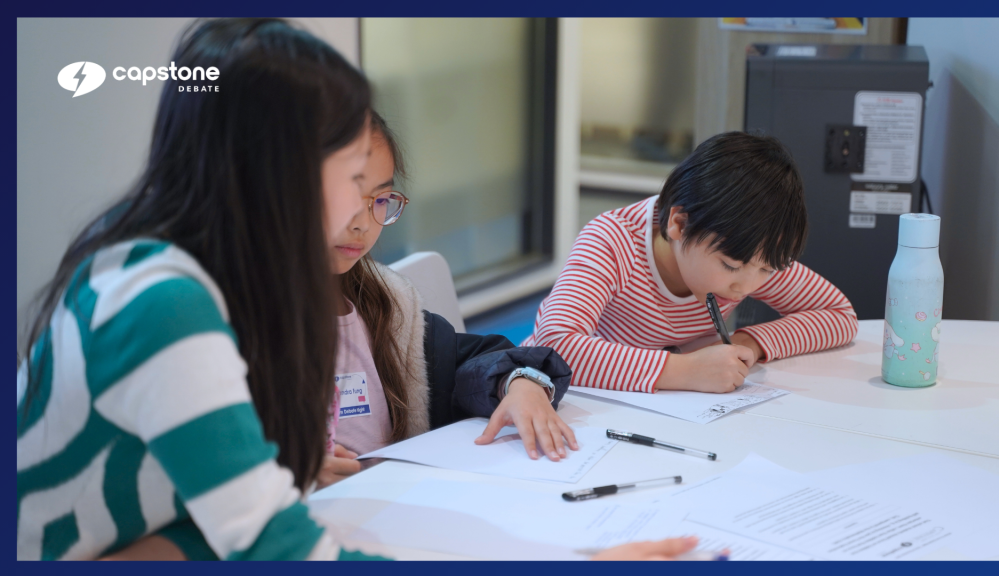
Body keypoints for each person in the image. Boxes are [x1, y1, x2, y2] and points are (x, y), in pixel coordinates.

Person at [17, 17, 697, 561]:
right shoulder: (165, 304)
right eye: (349, 173)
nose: (360, 210)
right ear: (271, 169)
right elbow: (278, 546)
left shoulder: (187, 269)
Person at [315, 110, 580, 490]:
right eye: (345, 196)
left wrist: (519, 383)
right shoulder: (234, 329)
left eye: (381, 199)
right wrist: (283, 477)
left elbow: (468, 362)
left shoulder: (385, 306)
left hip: (402, 502)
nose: (362, 223)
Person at [523, 131, 858, 393]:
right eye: (730, 266)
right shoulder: (613, 241)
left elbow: (839, 315)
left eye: (767, 270)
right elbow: (554, 345)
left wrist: (748, 344)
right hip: (559, 396)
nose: (745, 287)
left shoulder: (751, 252)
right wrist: (684, 370)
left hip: (662, 407)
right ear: (679, 225)